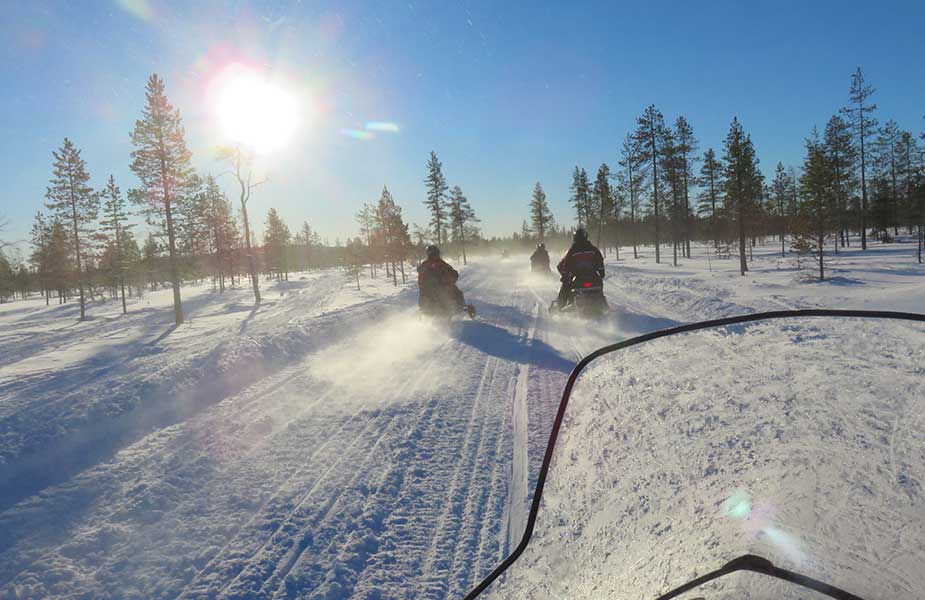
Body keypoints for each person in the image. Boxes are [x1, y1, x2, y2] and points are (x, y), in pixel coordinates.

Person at [555, 228, 604, 309]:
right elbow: (599, 259)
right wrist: (601, 271)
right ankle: (600, 301)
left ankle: (560, 307)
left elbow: (566, 263)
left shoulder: (572, 250)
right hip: (592, 277)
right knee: (598, 283)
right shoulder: (592, 249)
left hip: (579, 277)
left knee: (565, 286)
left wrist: (565, 275)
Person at [417, 244, 465, 312]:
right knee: (457, 293)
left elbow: (453, 273)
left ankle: (455, 308)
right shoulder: (441, 264)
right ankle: (458, 308)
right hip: (438, 290)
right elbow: (453, 273)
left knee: (455, 292)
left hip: (426, 292)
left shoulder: (424, 264)